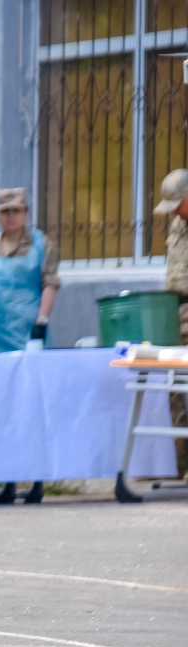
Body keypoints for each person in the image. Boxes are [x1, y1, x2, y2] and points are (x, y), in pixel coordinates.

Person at [0, 187, 60, 505]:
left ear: (26, 213)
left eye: (16, 210)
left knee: (31, 404)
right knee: (0, 407)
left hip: (28, 332)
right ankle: (7, 481)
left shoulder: (42, 244)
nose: (10, 216)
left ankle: (36, 480)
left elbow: (50, 282)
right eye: (4, 211)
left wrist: (42, 321)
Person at [153, 169, 188, 476]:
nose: (175, 210)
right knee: (174, 388)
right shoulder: (178, 225)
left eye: (179, 202)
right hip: (175, 317)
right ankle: (178, 465)